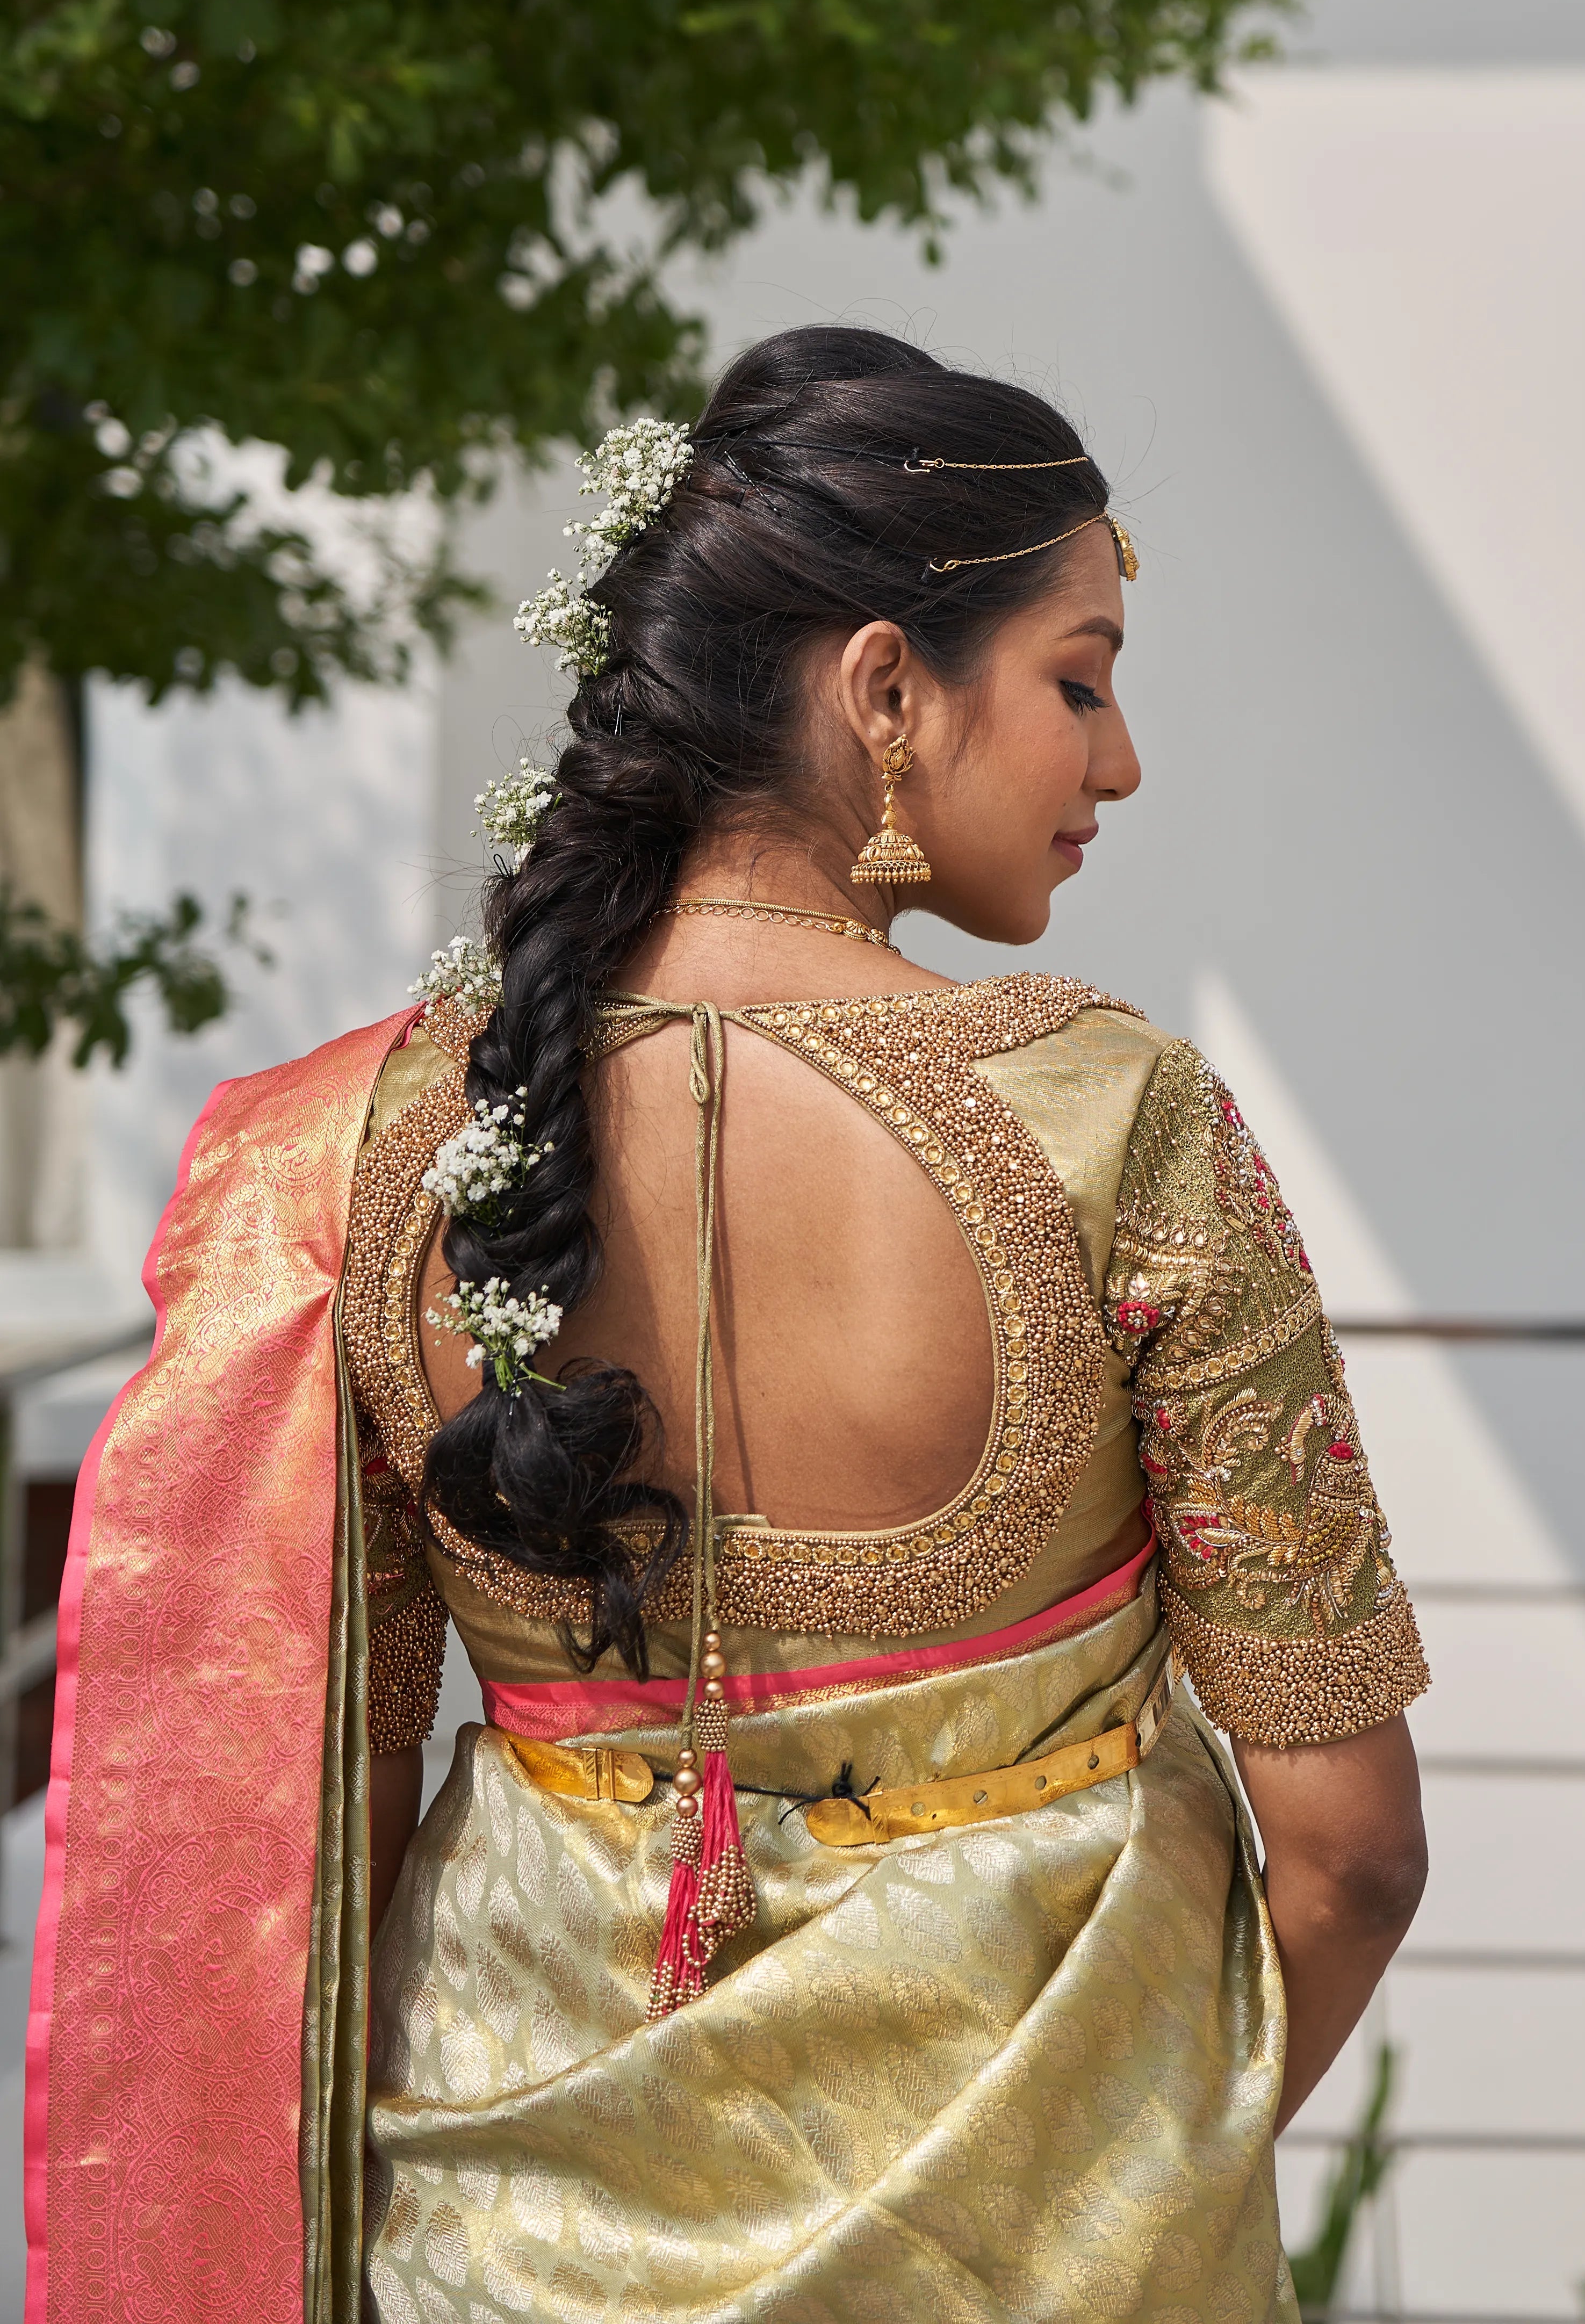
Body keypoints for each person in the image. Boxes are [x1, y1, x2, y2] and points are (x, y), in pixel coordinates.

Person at [28, 327, 1428, 2324]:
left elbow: (273, 1861)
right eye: (1082, 681)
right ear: (883, 689)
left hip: (491, 2251)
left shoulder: (359, 1153)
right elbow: (1353, 1849)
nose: (1118, 763)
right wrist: (1142, 2168)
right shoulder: (1118, 1127)